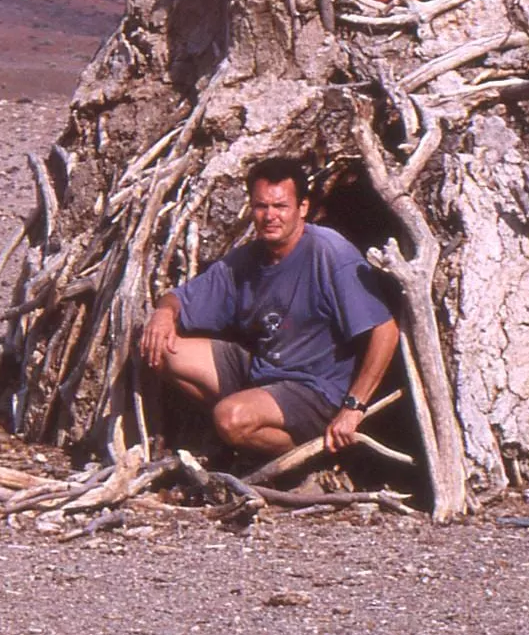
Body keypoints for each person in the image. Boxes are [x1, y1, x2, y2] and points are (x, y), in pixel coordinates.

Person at [139, 156, 399, 458]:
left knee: (230, 417)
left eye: (280, 206)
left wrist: (354, 407)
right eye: (261, 206)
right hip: (265, 370)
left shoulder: (330, 252)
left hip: (315, 388)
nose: (270, 216)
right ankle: (250, 426)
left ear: (303, 208)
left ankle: (304, 457)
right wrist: (163, 313)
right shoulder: (248, 259)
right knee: (158, 349)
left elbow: (386, 331)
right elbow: (181, 298)